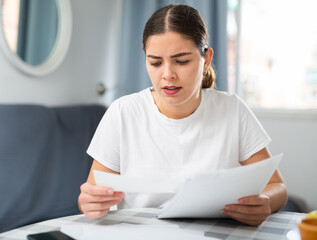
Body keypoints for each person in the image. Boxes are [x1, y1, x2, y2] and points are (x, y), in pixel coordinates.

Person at [78, 4, 287, 226]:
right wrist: (89, 203)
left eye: (182, 61)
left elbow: (278, 187)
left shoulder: (232, 109)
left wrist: (264, 201)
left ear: (205, 59)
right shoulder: (123, 113)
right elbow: (89, 198)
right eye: (155, 62)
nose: (167, 75)